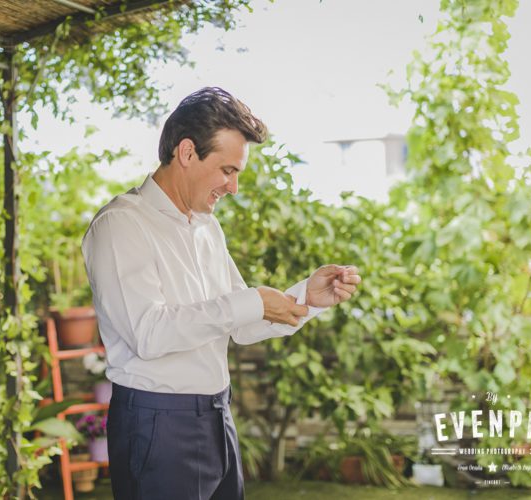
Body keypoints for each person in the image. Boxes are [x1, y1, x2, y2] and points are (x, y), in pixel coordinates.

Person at [82, 87, 361, 500]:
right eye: (227, 170)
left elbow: (240, 325)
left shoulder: (207, 228)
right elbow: (149, 334)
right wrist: (252, 301)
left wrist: (307, 299)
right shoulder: (121, 225)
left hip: (215, 417)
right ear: (188, 152)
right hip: (158, 426)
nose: (233, 187)